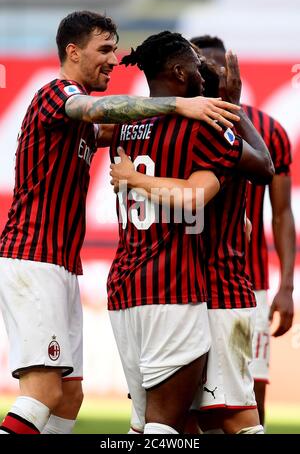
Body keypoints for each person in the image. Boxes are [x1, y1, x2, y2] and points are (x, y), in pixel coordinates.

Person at [0, 12, 241, 436]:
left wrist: (189, 105)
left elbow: (129, 128)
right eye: (105, 50)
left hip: (61, 265)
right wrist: (180, 102)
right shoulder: (58, 94)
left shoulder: (83, 122)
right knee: (41, 392)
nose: (114, 60)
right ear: (73, 52)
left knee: (69, 396)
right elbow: (96, 109)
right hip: (32, 257)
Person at [107, 31, 273, 435]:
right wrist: (232, 108)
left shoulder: (125, 127)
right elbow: (261, 168)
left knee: (168, 422)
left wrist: (132, 178)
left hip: (130, 285)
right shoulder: (210, 129)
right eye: (199, 66)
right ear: (182, 74)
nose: (205, 71)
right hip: (195, 291)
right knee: (224, 419)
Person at [191, 35, 295, 427]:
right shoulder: (184, 125)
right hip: (188, 284)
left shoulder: (269, 130)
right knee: (191, 406)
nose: (218, 76)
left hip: (248, 288)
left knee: (251, 400)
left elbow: (282, 214)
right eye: (209, 69)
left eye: (223, 69)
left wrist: (286, 286)